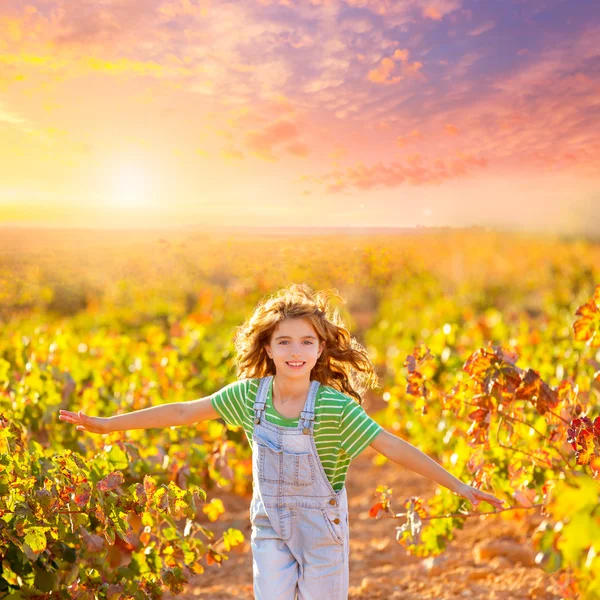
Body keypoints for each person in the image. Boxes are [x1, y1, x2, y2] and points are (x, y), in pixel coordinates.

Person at [59, 283, 505, 599]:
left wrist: (459, 487)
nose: (296, 351)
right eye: (284, 341)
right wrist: (107, 424)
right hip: (269, 525)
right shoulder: (248, 396)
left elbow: (391, 446)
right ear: (268, 349)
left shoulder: (334, 407)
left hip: (321, 533)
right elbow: (182, 412)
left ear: (320, 351)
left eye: (306, 342)